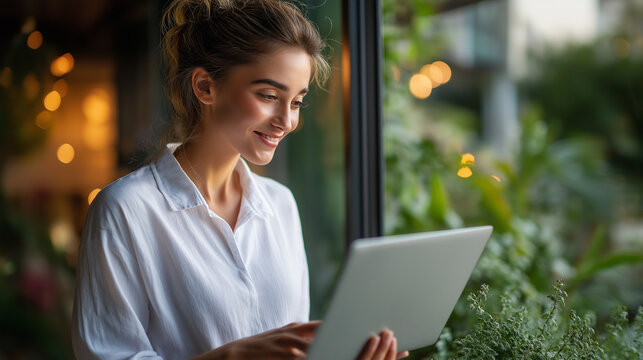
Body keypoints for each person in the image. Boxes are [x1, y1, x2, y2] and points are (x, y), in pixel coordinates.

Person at [72, 0, 409, 359]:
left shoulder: (280, 204)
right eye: (268, 96)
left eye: (296, 102)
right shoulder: (125, 210)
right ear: (205, 87)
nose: (286, 120)